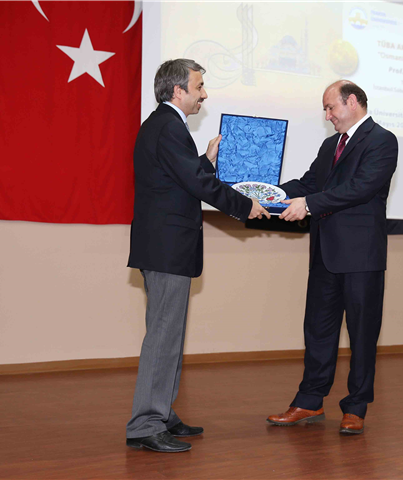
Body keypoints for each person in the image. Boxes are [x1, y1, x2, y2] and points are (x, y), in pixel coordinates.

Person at [126, 59, 268, 453]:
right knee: (163, 336)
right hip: (167, 248)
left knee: (169, 335)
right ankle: (145, 423)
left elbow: (181, 179)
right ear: (178, 91)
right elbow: (198, 184)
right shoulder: (169, 127)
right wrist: (245, 205)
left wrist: (204, 161)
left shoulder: (164, 126)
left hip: (166, 247)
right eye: (199, 86)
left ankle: (161, 414)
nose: (204, 94)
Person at [268, 80, 398, 435]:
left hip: (361, 257)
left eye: (331, 108)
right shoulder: (331, 145)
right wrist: (268, 194)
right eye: (325, 110)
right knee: (318, 331)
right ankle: (309, 401)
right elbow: (309, 184)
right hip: (325, 253)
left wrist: (308, 204)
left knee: (362, 334)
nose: (327, 116)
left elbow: (361, 188)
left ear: (352, 101)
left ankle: (356, 407)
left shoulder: (382, 140)